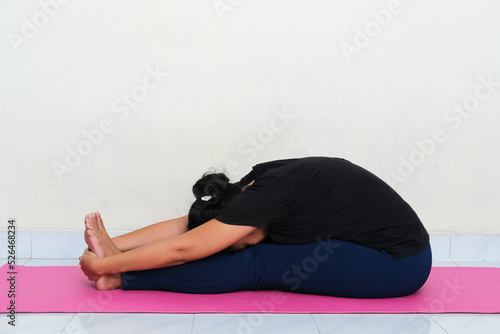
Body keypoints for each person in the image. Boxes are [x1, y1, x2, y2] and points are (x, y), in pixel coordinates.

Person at [79, 157, 431, 298]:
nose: (240, 243)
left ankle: (123, 280)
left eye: (236, 241)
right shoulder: (249, 187)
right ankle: (120, 266)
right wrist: (113, 244)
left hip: (399, 262)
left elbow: (183, 249)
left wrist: (107, 267)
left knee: (257, 261)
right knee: (255, 248)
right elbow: (191, 227)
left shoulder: (262, 201)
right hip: (374, 245)